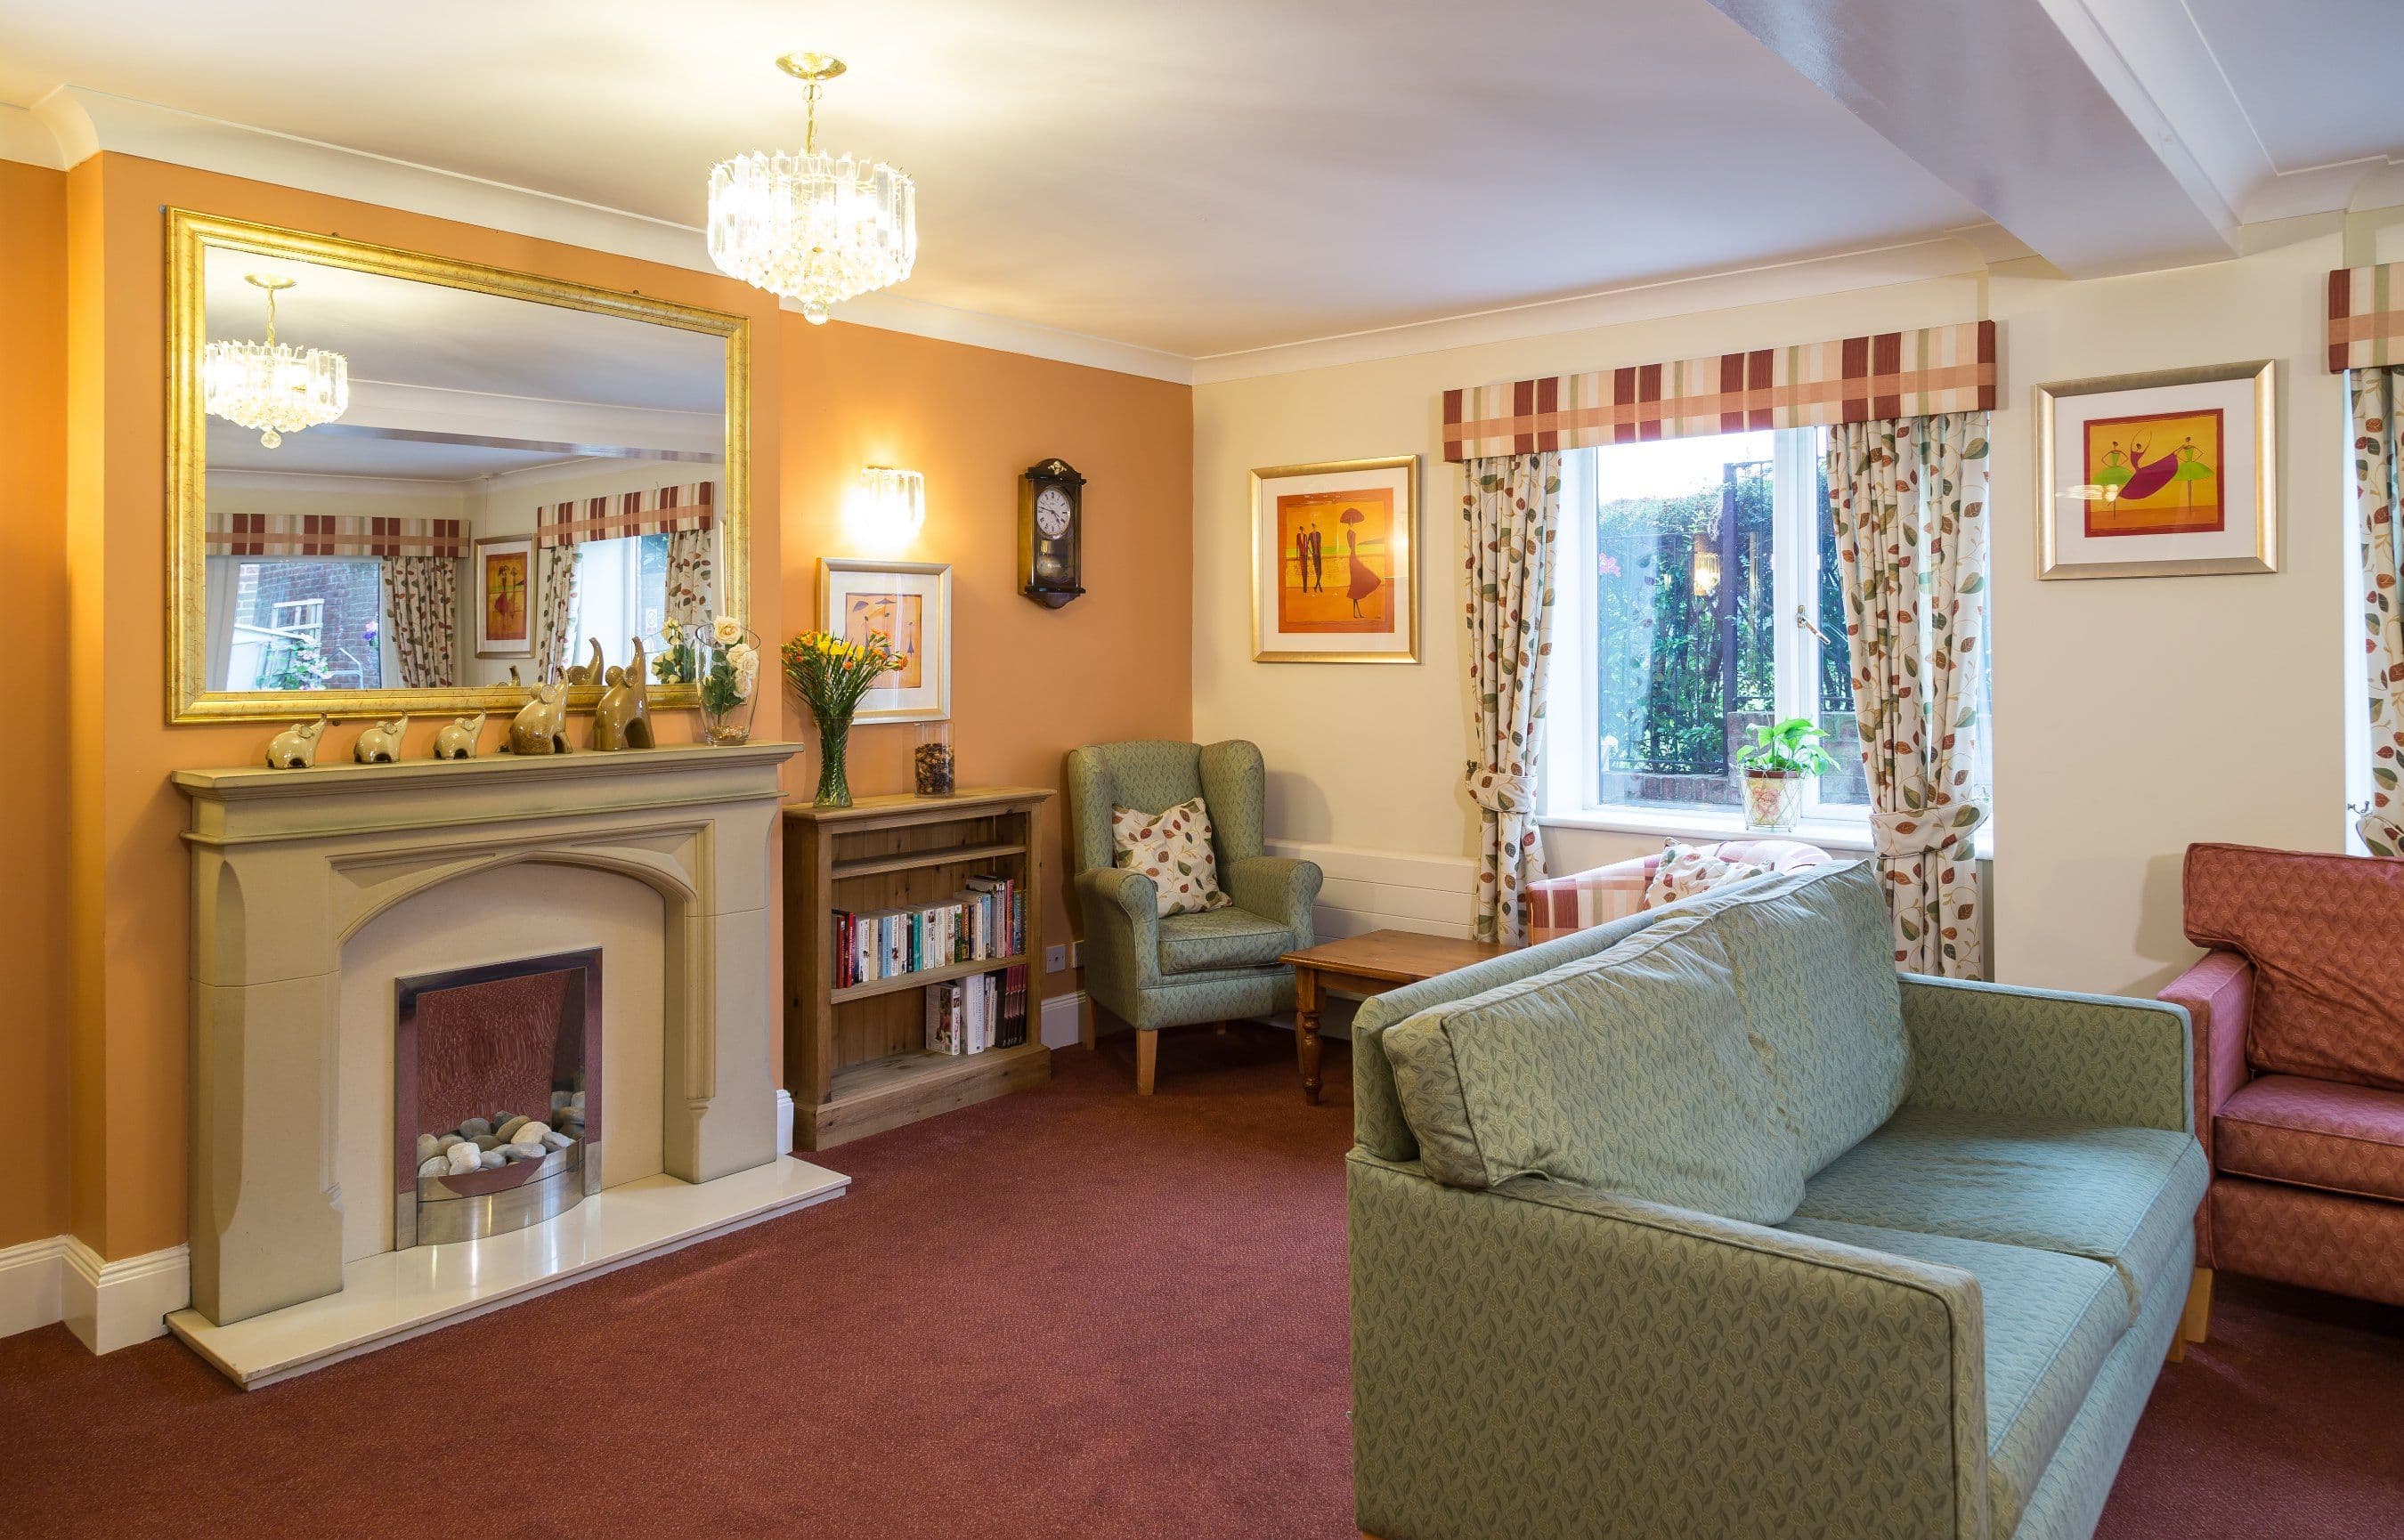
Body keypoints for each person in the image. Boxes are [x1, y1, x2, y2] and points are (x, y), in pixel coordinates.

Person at [1345, 524, 1381, 618]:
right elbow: (1350, 545)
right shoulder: (1349, 533)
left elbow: (1351, 546)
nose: (1351, 523)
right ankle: (1356, 614)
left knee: (1356, 583)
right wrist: (1349, 533)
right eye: (1350, 522)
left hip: (1354, 557)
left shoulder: (1351, 533)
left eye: (1351, 522)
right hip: (1352, 558)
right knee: (1355, 583)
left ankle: (1357, 614)